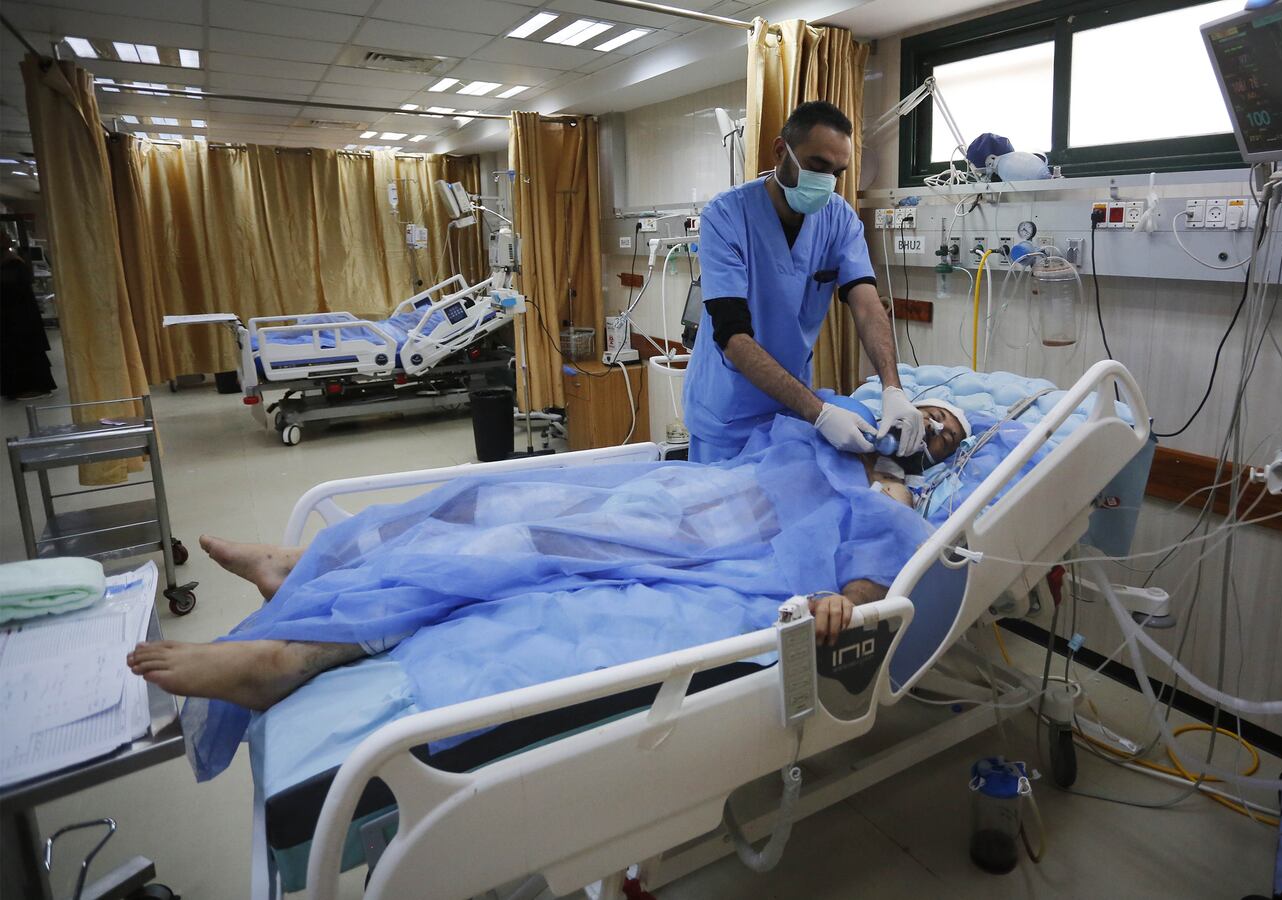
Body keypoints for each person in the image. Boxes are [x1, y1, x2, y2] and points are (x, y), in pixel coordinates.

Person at [129, 401, 969, 780]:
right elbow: (742, 453)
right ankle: (306, 562)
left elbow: (866, 572)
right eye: (929, 410)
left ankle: (292, 655)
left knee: (516, 546)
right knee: (484, 498)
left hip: (718, 552)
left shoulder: (891, 492)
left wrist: (843, 601)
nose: (929, 426)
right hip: (680, 501)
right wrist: (833, 420)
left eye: (944, 433)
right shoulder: (831, 427)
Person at [683, 100, 924, 464]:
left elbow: (867, 304)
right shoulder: (726, 216)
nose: (826, 182)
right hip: (727, 410)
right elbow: (732, 336)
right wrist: (821, 412)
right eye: (817, 166)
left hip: (791, 405)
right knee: (722, 515)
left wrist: (892, 387)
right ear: (781, 150)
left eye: (837, 172)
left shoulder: (839, 218)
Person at [0, 234, 56, 399]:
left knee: (23, 353)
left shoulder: (12, 263)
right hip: (15, 319)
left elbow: (12, 291)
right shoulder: (10, 262)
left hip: (18, 320)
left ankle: (33, 387)